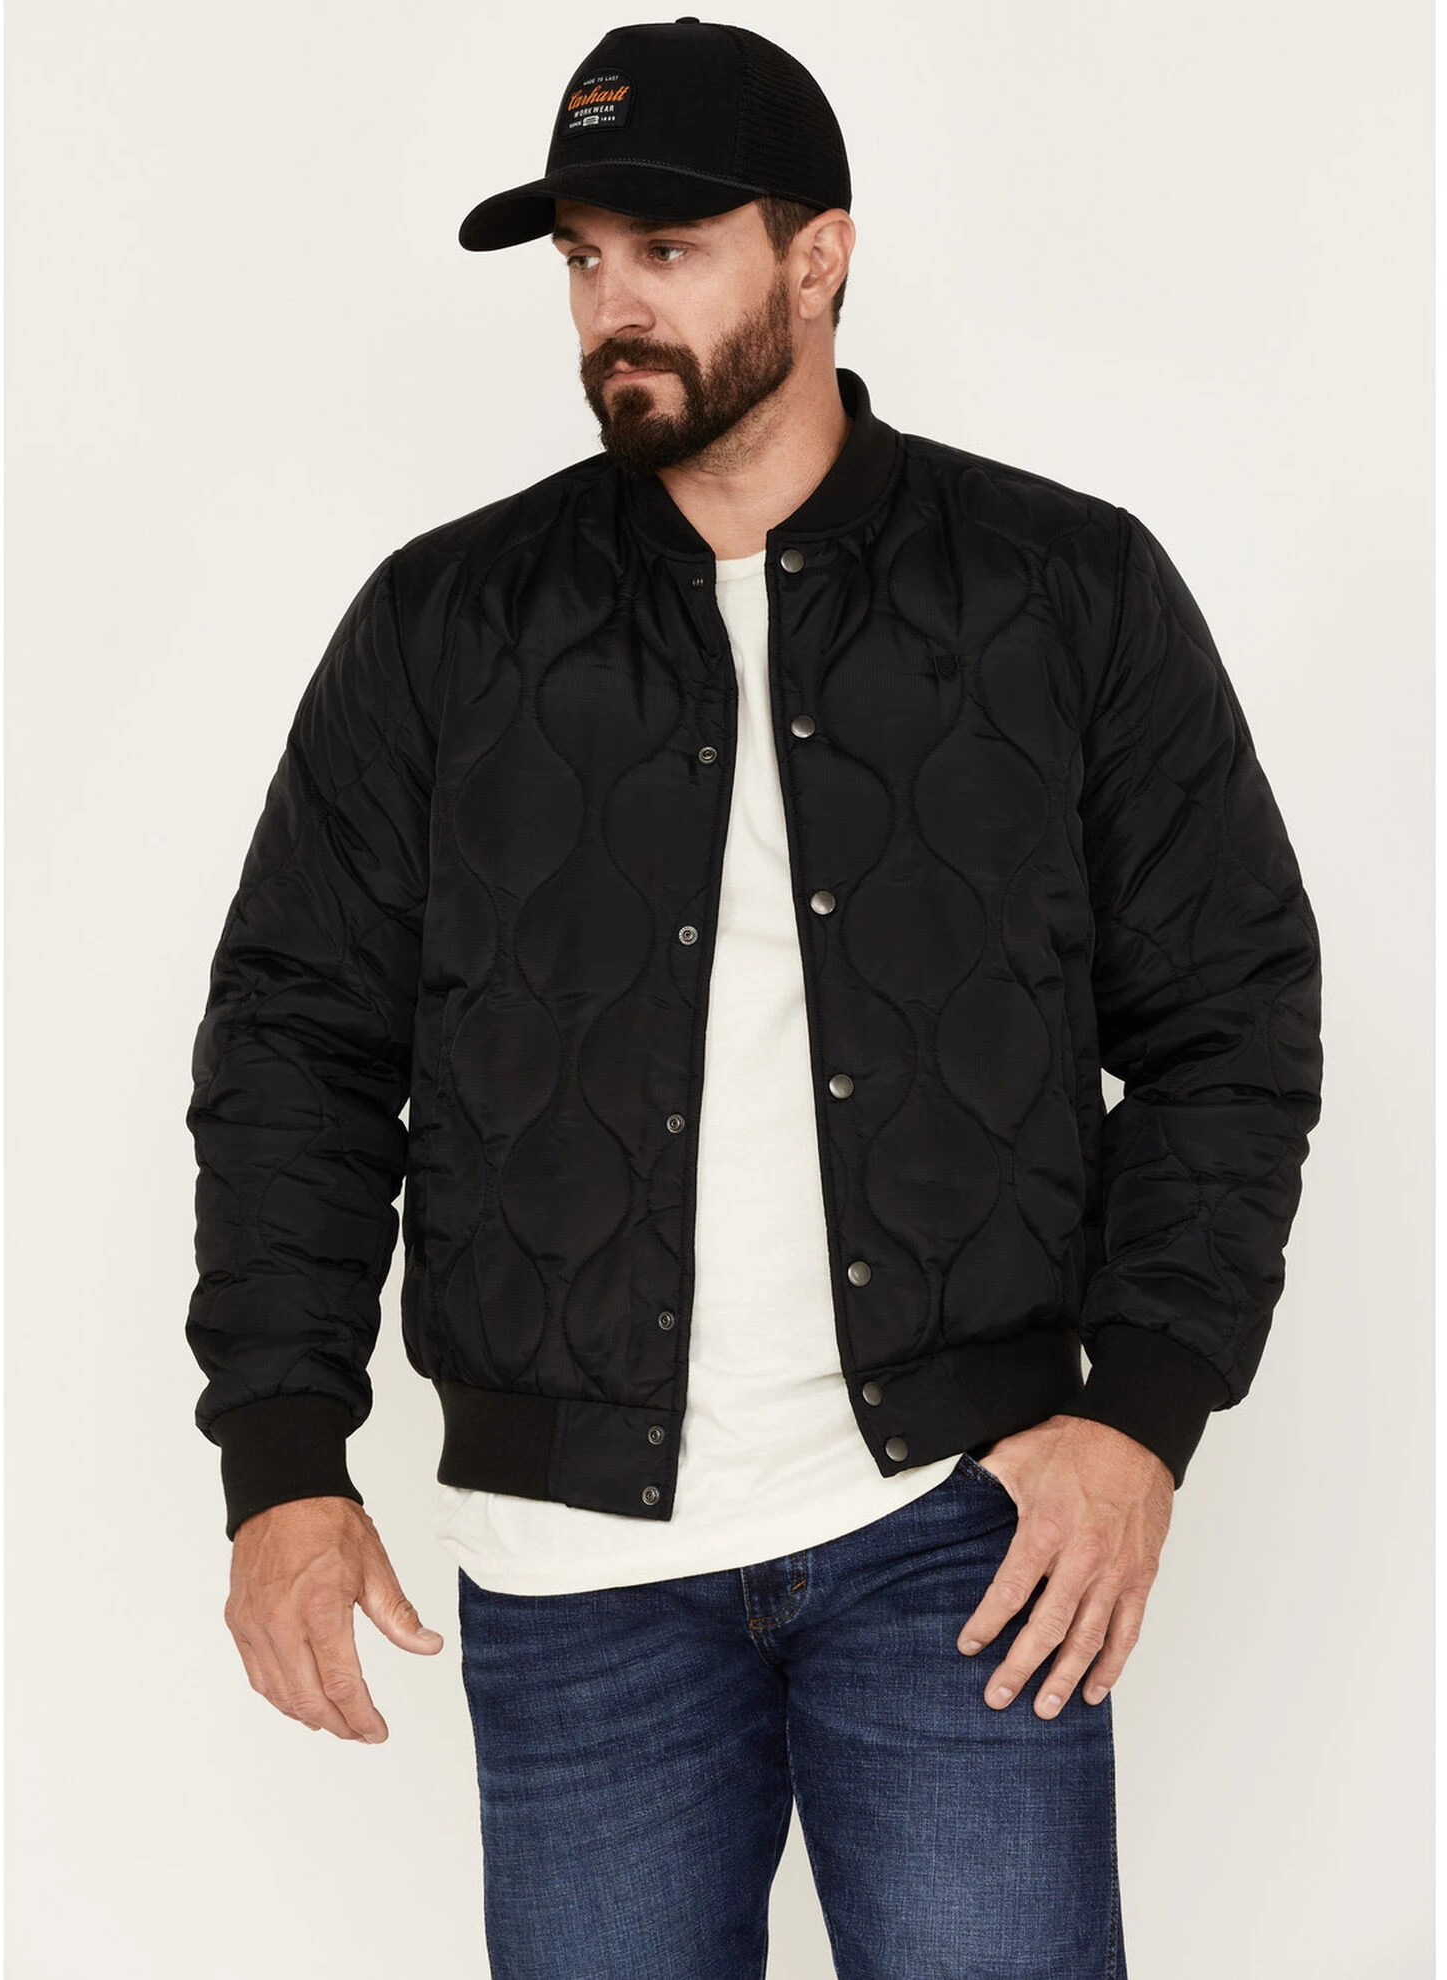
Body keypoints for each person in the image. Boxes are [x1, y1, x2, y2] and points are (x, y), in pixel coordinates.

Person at [184, 18, 1323, 1978]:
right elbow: (298, 1045)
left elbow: (1232, 1015)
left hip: (960, 1534)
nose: (611, 306)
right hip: (575, 1572)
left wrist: (1140, 1414)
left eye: (669, 248)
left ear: (819, 258)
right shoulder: (448, 626)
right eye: (582, 259)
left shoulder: (1060, 593)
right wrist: (281, 1456)